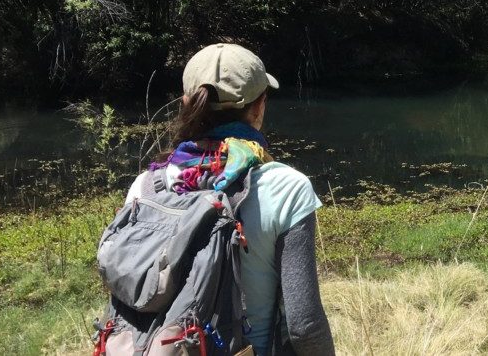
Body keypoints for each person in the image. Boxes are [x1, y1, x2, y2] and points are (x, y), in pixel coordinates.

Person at [124, 43, 334, 355]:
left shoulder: (145, 187)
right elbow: (304, 325)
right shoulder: (287, 187)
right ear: (260, 105)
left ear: (186, 102)